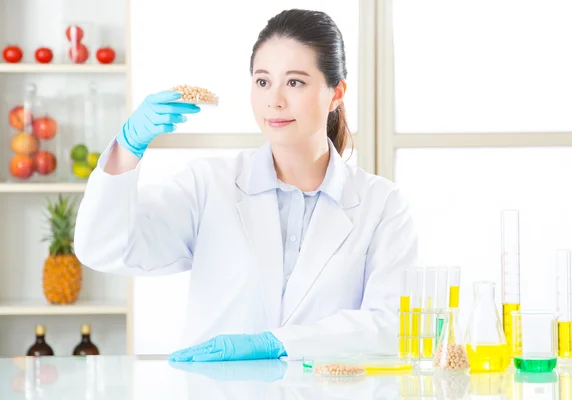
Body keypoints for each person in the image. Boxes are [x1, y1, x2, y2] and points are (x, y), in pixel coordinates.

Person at [74, 9, 417, 362]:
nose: (275, 100)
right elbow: (103, 247)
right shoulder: (210, 186)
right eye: (263, 81)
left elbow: (391, 326)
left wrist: (280, 344)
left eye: (295, 82)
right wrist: (128, 149)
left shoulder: (382, 206)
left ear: (336, 93)